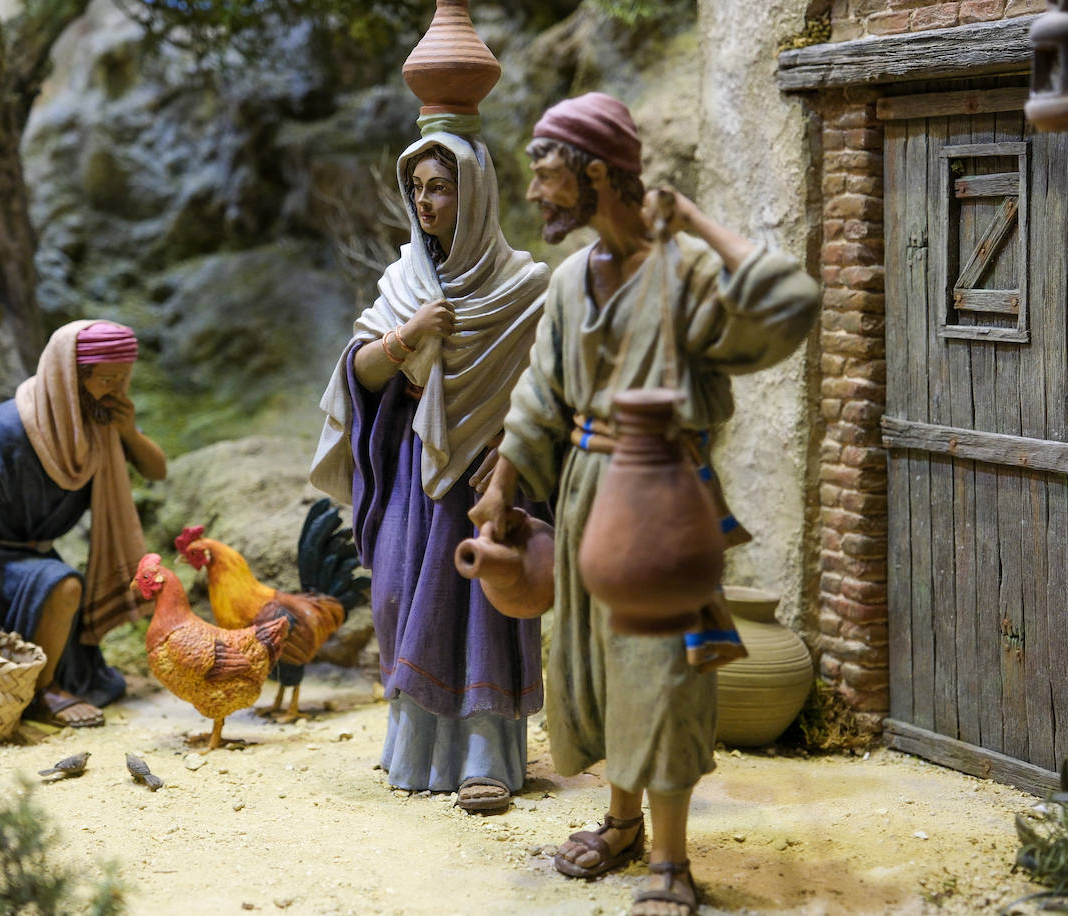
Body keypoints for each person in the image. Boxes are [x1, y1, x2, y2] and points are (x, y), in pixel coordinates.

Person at [470, 93, 820, 915]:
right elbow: (538, 397)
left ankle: (670, 860)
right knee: (590, 668)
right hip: (588, 495)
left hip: (663, 492)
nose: (535, 194)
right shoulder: (567, 281)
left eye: (547, 175)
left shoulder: (686, 272)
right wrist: (501, 483)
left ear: (598, 172)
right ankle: (621, 824)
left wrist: (694, 221)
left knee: (662, 670)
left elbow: (790, 303)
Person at [310, 130, 550, 813]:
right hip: (415, 467)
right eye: (416, 189)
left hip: (488, 480)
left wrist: (512, 442)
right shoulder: (404, 282)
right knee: (396, 596)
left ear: (473, 195)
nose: (425, 202)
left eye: (440, 187)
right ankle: (415, 745)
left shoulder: (524, 288)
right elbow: (356, 373)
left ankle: (482, 755)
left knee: (482, 611)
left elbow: (549, 388)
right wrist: (408, 335)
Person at [0, 319, 166, 728]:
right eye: (107, 379)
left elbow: (156, 469)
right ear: (69, 377)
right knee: (64, 585)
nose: (117, 390)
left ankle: (52, 677)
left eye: (124, 379)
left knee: (60, 582)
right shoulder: (10, 425)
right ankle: (42, 691)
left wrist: (129, 431)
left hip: (37, 552)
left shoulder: (100, 425)